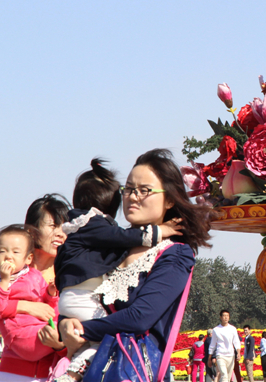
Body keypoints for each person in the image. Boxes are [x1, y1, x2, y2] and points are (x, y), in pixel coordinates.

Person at [57, 148, 212, 382]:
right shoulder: (111, 244)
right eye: (129, 189)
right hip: (91, 370)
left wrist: (82, 329)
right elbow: (80, 294)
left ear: (169, 199)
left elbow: (140, 317)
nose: (133, 196)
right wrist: (65, 323)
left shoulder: (176, 254)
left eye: (144, 190)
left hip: (131, 370)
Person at [0, 194, 70, 382]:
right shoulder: (13, 273)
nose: (60, 233)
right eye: (52, 226)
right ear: (32, 231)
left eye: (64, 227)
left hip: (53, 374)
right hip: (14, 373)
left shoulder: (69, 276)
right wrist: (23, 306)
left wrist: (59, 346)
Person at [208, 310, 241, 382]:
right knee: (224, 375)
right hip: (220, 355)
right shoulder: (216, 330)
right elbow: (212, 344)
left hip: (231, 356)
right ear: (220, 317)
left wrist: (238, 352)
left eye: (227, 316)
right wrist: (209, 358)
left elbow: (236, 342)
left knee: (228, 378)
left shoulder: (233, 329)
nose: (226, 317)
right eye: (224, 315)